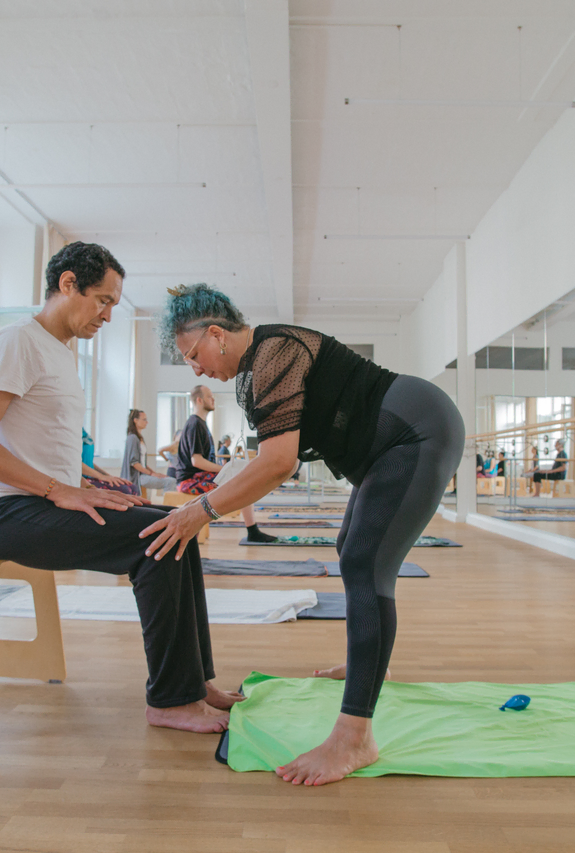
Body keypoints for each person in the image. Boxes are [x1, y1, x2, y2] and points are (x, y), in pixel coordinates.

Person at [142, 284, 464, 786]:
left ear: (216, 335)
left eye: (193, 355)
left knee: (364, 563)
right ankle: (363, 661)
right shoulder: (257, 365)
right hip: (389, 445)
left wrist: (199, 512)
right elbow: (269, 461)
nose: (197, 369)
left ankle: (354, 737)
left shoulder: (271, 354)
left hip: (416, 430)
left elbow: (278, 463)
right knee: (350, 551)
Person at [0, 242, 242, 734]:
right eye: (103, 300)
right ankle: (170, 699)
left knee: (176, 526)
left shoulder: (60, 352)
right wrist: (58, 489)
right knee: (157, 541)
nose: (108, 314)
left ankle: (195, 682)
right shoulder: (16, 342)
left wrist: (84, 476)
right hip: (1, 514)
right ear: (68, 284)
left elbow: (29, 439)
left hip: (34, 502)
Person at [176, 384, 277, 543]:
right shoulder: (195, 424)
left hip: (200, 476)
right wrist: (224, 469)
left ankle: (252, 531)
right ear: (200, 400)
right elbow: (196, 461)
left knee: (242, 480)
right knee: (240, 483)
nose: (213, 399)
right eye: (210, 396)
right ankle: (252, 531)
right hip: (190, 480)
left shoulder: (200, 424)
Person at [121, 409, 177, 493]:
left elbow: (142, 463)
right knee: (171, 481)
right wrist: (151, 474)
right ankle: (168, 505)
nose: (147, 422)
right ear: (135, 420)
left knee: (169, 479)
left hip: (143, 475)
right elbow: (135, 463)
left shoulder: (138, 438)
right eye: (144, 419)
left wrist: (155, 473)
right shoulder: (133, 438)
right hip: (137, 478)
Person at [82, 428, 136, 494]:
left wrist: (108, 476)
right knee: (124, 490)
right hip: (81, 479)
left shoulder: (82, 430)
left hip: (92, 476)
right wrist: (101, 476)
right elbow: (75, 463)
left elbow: (88, 462)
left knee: (133, 487)